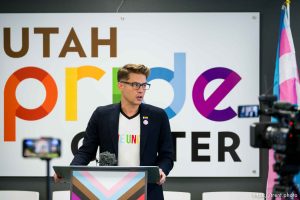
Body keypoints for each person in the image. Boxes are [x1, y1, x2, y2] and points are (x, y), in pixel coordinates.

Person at [54, 64, 174, 199]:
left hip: (148, 190)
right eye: (135, 85)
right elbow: (86, 151)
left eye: (144, 85)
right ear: (120, 86)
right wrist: (71, 171)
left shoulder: (158, 116)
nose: (141, 90)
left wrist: (162, 170)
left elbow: (167, 155)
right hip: (109, 190)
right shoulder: (102, 115)